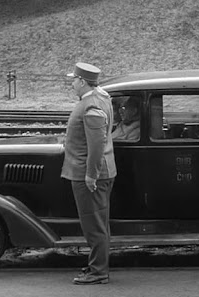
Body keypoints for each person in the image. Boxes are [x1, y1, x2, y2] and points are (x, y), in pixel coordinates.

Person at [61, 62, 116, 285]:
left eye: (74, 80)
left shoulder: (92, 105)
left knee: (94, 226)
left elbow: (96, 144)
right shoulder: (100, 98)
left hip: (90, 174)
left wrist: (91, 175)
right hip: (98, 171)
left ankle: (98, 272)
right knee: (97, 223)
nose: (72, 83)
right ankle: (96, 266)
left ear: (83, 82)